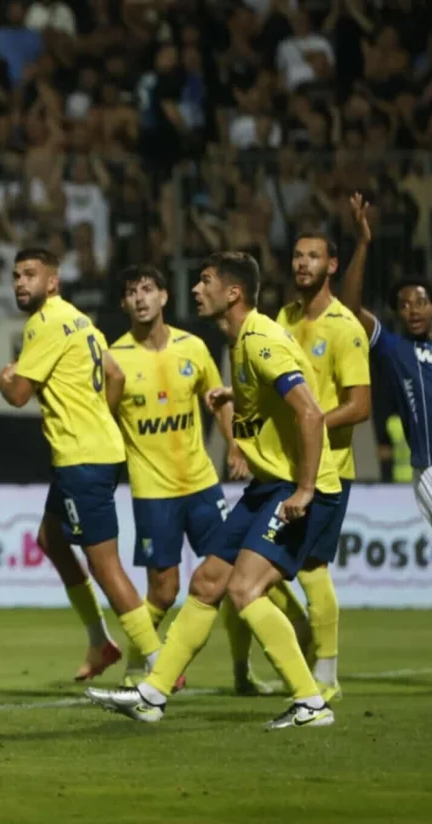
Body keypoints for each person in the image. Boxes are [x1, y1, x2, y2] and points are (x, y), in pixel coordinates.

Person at [87, 251, 342, 730]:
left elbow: (310, 413)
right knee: (207, 582)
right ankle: (152, 693)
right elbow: (282, 403)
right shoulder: (238, 342)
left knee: (244, 589)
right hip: (268, 485)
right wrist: (235, 399)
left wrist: (305, 489)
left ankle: (311, 701)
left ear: (233, 293)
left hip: (297, 487)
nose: (196, 289)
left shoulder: (260, 338)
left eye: (205, 282)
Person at [108, 263, 285, 693]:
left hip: (203, 485)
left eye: (148, 289)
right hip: (153, 493)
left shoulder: (193, 347)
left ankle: (242, 672)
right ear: (123, 303)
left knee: (228, 577)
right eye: (132, 292)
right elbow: (106, 418)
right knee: (164, 592)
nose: (140, 298)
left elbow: (222, 401)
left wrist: (236, 444)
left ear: (165, 297)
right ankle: (139, 664)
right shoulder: (115, 359)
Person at [0, 249, 165, 681]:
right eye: (16, 275)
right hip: (95, 450)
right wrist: (99, 421)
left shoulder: (45, 324)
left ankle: (159, 663)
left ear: (52, 282)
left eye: (30, 275)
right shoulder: (79, 318)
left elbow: (18, 394)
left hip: (82, 458)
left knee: (104, 565)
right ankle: (99, 642)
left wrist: (5, 377)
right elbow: (116, 375)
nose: (20, 283)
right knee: (51, 538)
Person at [338, 193, 432, 681]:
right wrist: (362, 243)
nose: (412, 309)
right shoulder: (395, 350)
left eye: (420, 301)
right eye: (403, 304)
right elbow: (349, 308)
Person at [277, 229, 373, 701]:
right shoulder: (284, 318)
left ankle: (327, 674)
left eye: (313, 257)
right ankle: (304, 638)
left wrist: (313, 424)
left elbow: (360, 405)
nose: (302, 264)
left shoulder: (345, 328)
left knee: (311, 566)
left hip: (330, 470)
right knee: (250, 565)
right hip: (284, 467)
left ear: (332, 266)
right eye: (297, 256)